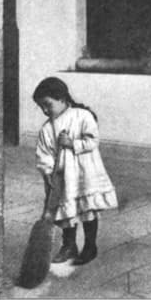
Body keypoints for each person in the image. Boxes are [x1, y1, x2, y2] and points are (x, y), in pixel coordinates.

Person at [33, 77, 118, 265]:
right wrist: (47, 173)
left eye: (48, 105)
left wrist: (72, 143)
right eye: (42, 108)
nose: (45, 111)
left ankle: (90, 247)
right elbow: (44, 153)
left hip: (84, 174)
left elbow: (93, 141)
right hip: (63, 178)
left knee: (87, 210)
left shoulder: (82, 116)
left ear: (62, 98)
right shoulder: (47, 129)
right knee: (66, 213)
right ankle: (69, 246)